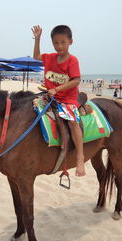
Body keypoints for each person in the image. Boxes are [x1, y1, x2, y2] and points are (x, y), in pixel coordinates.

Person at [32, 24, 85, 176]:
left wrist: (57, 89)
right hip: (50, 96)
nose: (59, 46)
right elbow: (36, 56)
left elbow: (76, 80)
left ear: (70, 42)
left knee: (73, 121)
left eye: (63, 42)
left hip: (67, 98)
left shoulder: (72, 61)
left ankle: (80, 157)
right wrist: (37, 39)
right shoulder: (50, 58)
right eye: (56, 42)